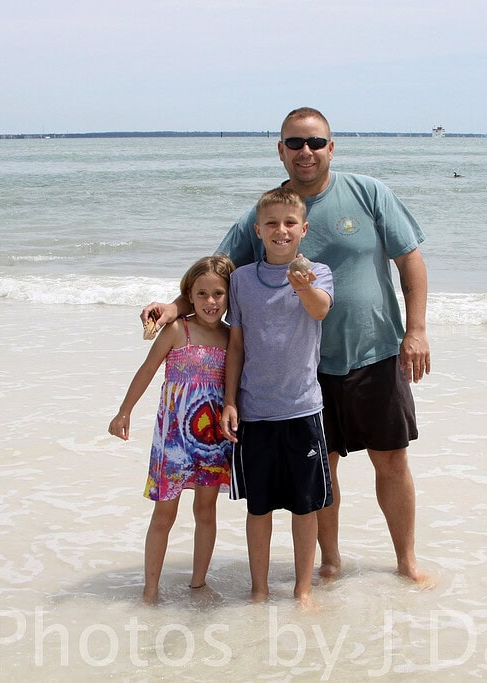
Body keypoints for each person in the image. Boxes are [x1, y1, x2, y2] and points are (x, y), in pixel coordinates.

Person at [143, 107, 430, 584]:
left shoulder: (369, 193)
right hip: (304, 372)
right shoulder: (263, 215)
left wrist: (415, 330)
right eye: (295, 143)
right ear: (280, 150)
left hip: (373, 353)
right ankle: (331, 562)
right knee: (324, 469)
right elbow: (217, 276)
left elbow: (411, 261)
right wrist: (176, 308)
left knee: (392, 460)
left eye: (316, 143)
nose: (306, 152)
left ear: (331, 147)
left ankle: (406, 562)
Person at [221, 187, 334, 606]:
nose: (280, 231)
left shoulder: (317, 272)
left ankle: (303, 589)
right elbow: (236, 345)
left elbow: (320, 309)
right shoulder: (241, 279)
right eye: (271, 223)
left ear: (303, 229)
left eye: (289, 224)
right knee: (258, 509)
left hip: (303, 409)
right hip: (255, 411)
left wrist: (301, 286)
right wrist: (230, 401)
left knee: (305, 509)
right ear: (257, 230)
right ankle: (259, 590)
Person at [109, 255, 235, 602]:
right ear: (189, 296)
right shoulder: (179, 330)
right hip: (174, 439)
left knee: (206, 511)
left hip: (212, 441)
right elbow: (148, 370)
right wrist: (124, 411)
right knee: (165, 512)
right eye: (202, 294)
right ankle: (150, 590)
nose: (211, 302)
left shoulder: (231, 336)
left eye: (219, 294)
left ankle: (198, 583)